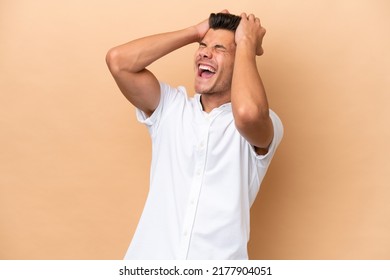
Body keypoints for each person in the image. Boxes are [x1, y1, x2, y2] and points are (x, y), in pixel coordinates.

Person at [106, 10, 283, 260]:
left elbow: (247, 113)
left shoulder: (264, 122)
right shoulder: (170, 107)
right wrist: (195, 31)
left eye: (219, 48)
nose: (204, 52)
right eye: (202, 46)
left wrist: (246, 43)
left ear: (242, 58)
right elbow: (118, 61)